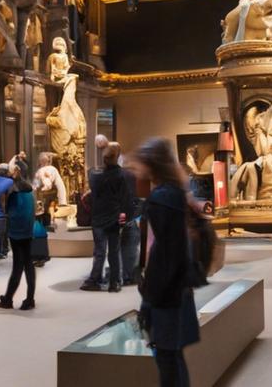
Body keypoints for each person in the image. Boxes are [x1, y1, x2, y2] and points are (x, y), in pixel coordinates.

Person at [130, 139, 199, 387]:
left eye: (139, 164)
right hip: (177, 287)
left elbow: (165, 252)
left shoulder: (161, 197)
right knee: (173, 355)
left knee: (167, 358)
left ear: (151, 163)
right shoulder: (174, 191)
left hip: (167, 292)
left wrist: (150, 296)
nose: (135, 169)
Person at [82, 142, 128, 293]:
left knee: (99, 251)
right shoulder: (122, 175)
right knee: (114, 251)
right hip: (113, 217)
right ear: (117, 157)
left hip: (98, 217)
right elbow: (125, 198)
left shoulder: (95, 175)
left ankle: (95, 280)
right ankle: (114, 283)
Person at [0, 161, 37, 310]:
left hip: (16, 228)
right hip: (27, 227)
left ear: (17, 171)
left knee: (18, 265)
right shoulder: (30, 188)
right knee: (28, 263)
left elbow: (5, 205)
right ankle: (29, 298)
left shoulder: (12, 187)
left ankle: (8, 299)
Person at [120, 150, 142, 285]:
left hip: (123, 214)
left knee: (125, 246)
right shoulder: (131, 175)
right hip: (131, 213)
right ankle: (130, 275)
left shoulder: (121, 175)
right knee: (131, 246)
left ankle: (126, 274)